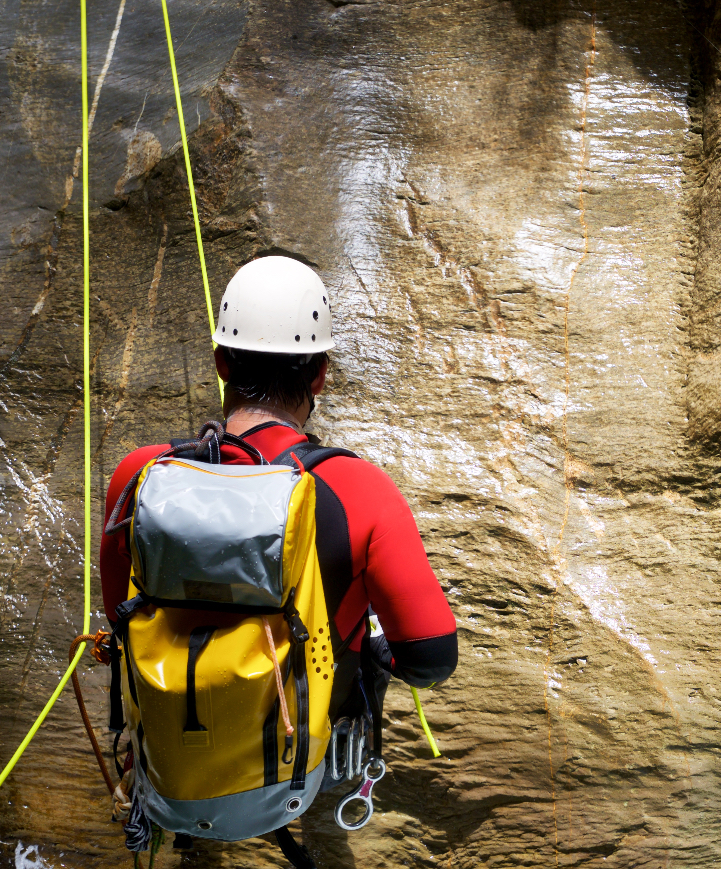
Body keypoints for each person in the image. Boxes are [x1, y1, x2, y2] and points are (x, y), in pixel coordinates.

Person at [99, 253, 457, 701]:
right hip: (302, 768)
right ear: (320, 375)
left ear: (221, 364)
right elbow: (431, 660)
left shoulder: (142, 475)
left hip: (166, 766)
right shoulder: (359, 490)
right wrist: (372, 649)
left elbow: (121, 617)